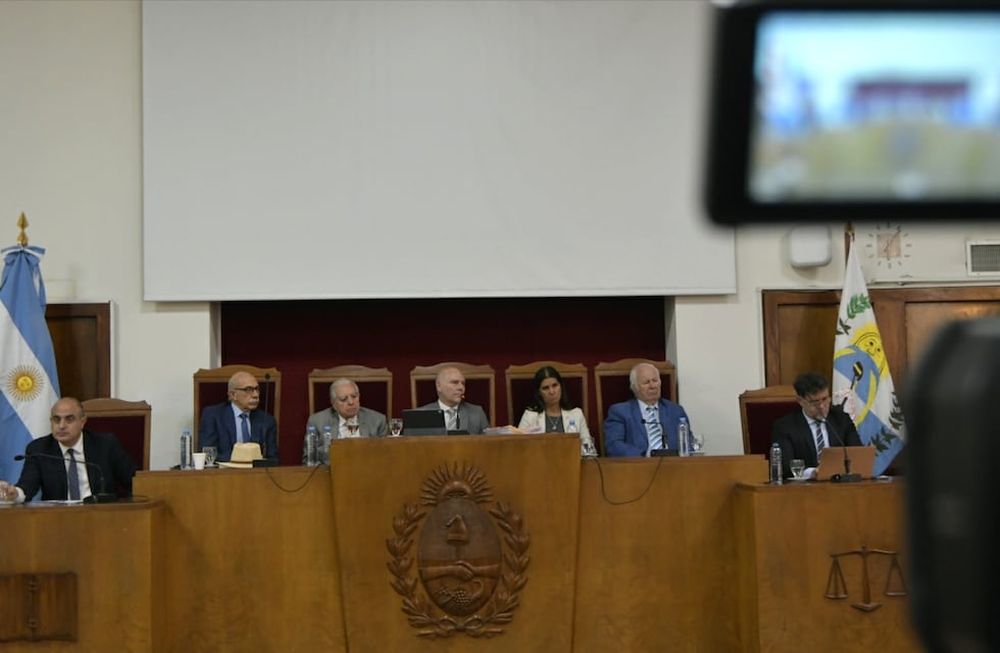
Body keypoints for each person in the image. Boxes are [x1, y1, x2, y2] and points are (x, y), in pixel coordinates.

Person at [0, 397, 136, 503]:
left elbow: (134, 483)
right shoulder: (39, 449)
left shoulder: (105, 445)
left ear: (82, 422)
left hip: (102, 517)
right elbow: (27, 486)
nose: (61, 426)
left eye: (69, 419)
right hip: (58, 520)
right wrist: (15, 494)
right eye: (56, 419)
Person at [771, 371, 863, 479]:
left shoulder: (842, 420)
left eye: (825, 399)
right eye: (815, 402)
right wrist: (813, 473)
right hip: (804, 487)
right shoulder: (785, 426)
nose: (822, 406)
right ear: (800, 401)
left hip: (840, 484)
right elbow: (785, 466)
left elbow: (858, 454)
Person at [604, 362, 691, 457]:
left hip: (674, 463)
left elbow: (689, 443)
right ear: (635, 387)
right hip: (638, 464)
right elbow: (613, 446)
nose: (652, 386)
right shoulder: (620, 412)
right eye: (646, 382)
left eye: (655, 380)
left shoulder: (675, 410)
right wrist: (646, 455)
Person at [199, 370, 278, 463]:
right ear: (233, 395)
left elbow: (272, 458)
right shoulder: (213, 416)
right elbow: (208, 453)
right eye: (248, 390)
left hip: (256, 471)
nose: (255, 395)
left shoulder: (267, 420)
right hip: (224, 470)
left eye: (257, 389)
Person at [303, 378, 387, 463]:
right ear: (333, 403)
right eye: (343, 399)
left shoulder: (378, 420)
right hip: (331, 470)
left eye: (354, 397)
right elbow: (309, 460)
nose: (351, 402)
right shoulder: (317, 422)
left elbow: (385, 457)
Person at [517, 366, 596, 454]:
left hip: (571, 461)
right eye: (546, 388)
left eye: (555, 385)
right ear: (539, 392)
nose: (552, 392)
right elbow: (519, 449)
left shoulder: (577, 414)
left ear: (561, 386)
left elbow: (589, 450)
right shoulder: (530, 416)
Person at [419, 366, 489, 434]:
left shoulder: (477, 413)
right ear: (439, 386)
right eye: (455, 382)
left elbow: (488, 441)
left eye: (463, 383)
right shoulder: (421, 415)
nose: (461, 387)